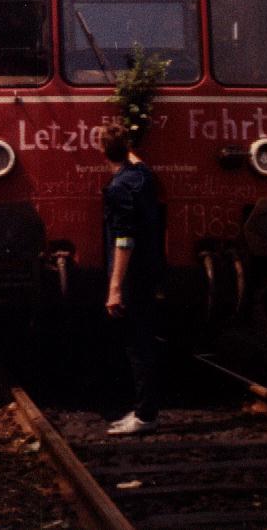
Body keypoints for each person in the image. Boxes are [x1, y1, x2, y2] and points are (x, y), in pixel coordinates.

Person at [99, 124, 163, 436]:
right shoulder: (142, 177)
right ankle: (143, 410)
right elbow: (136, 162)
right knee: (143, 340)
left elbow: (124, 240)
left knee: (137, 346)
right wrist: (126, 148)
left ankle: (145, 415)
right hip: (149, 270)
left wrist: (114, 288)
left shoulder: (118, 189)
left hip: (131, 275)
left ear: (103, 152)